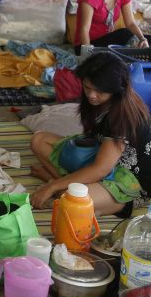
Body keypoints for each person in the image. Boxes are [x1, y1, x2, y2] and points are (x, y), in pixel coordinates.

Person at [30, 52, 151, 215]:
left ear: (116, 90)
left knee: (72, 200)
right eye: (87, 87)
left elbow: (100, 169)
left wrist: (50, 186)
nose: (91, 95)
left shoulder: (122, 115)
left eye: (99, 91)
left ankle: (59, 185)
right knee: (39, 140)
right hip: (101, 158)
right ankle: (63, 184)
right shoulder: (97, 102)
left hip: (128, 182)